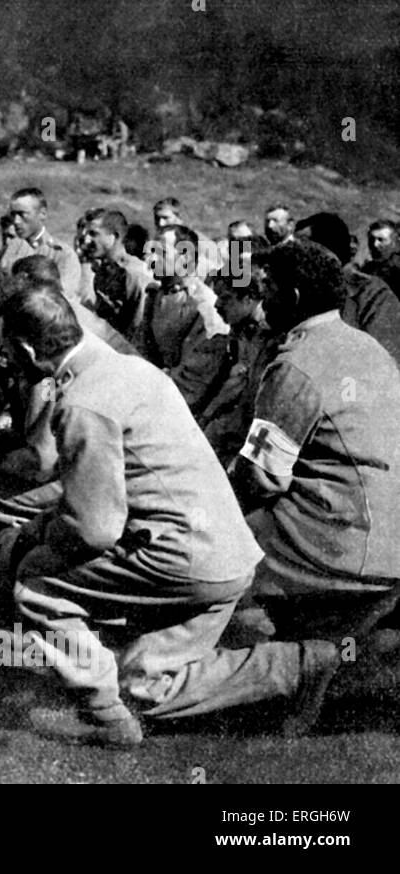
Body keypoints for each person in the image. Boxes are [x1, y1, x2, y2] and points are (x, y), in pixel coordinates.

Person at [0, 285, 333, 748]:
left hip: (185, 563)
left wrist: (30, 535)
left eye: (6, 347)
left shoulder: (82, 403)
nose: (5, 357)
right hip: (228, 557)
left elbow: (94, 530)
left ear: (28, 349)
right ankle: (304, 665)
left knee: (36, 584)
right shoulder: (132, 369)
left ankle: (102, 714)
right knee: (144, 687)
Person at [229, 239, 400, 695]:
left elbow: (261, 477)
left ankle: (286, 670)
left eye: (267, 292)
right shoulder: (368, 347)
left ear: (294, 298)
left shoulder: (297, 362)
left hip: (340, 544)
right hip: (388, 539)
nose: (262, 304)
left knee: (210, 551)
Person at [136, 224, 230, 411]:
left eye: (161, 252)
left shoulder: (204, 305)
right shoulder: (155, 296)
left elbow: (195, 379)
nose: (151, 260)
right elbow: (142, 352)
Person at [294, 212, 400, 366]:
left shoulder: (373, 296)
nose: (292, 258)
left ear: (327, 255)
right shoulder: (295, 294)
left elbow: (382, 364)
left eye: (300, 251)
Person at [196, 270, 276, 466]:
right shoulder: (240, 331)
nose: (216, 304)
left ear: (248, 299)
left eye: (225, 298)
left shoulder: (270, 338)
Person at [0, 188, 82, 302]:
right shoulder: (10, 250)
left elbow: (63, 299)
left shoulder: (63, 254)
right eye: (13, 214)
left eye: (22, 214)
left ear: (42, 214)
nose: (16, 221)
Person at [79, 208, 153, 336]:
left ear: (115, 236)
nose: (86, 241)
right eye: (86, 234)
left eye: (94, 234)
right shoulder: (104, 271)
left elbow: (139, 331)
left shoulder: (135, 275)